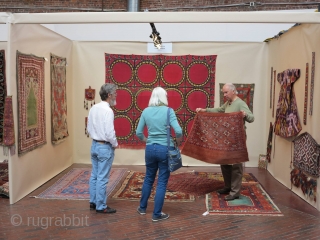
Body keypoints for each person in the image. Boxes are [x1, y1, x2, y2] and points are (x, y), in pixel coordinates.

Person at [196, 83, 254, 201]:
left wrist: (245, 115)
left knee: (236, 165)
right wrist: (204, 110)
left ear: (233, 91)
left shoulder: (240, 103)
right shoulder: (228, 103)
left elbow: (252, 118)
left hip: (238, 138)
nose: (224, 94)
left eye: (226, 92)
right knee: (225, 162)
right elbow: (219, 110)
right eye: (223, 92)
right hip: (227, 138)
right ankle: (228, 186)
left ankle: (235, 192)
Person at [136, 87, 183, 222]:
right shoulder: (169, 111)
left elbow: (139, 133)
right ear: (164, 97)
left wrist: (148, 141)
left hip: (150, 149)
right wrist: (177, 141)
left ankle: (142, 208)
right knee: (161, 182)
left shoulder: (145, 111)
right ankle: (157, 214)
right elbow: (178, 131)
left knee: (148, 178)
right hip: (164, 150)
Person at [87, 83, 118, 213]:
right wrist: (115, 144)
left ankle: (93, 202)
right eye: (115, 93)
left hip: (94, 145)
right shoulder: (108, 111)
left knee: (94, 175)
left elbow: (88, 128)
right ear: (109, 95)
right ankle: (101, 206)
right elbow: (109, 133)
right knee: (102, 177)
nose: (116, 95)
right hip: (104, 146)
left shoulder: (93, 108)